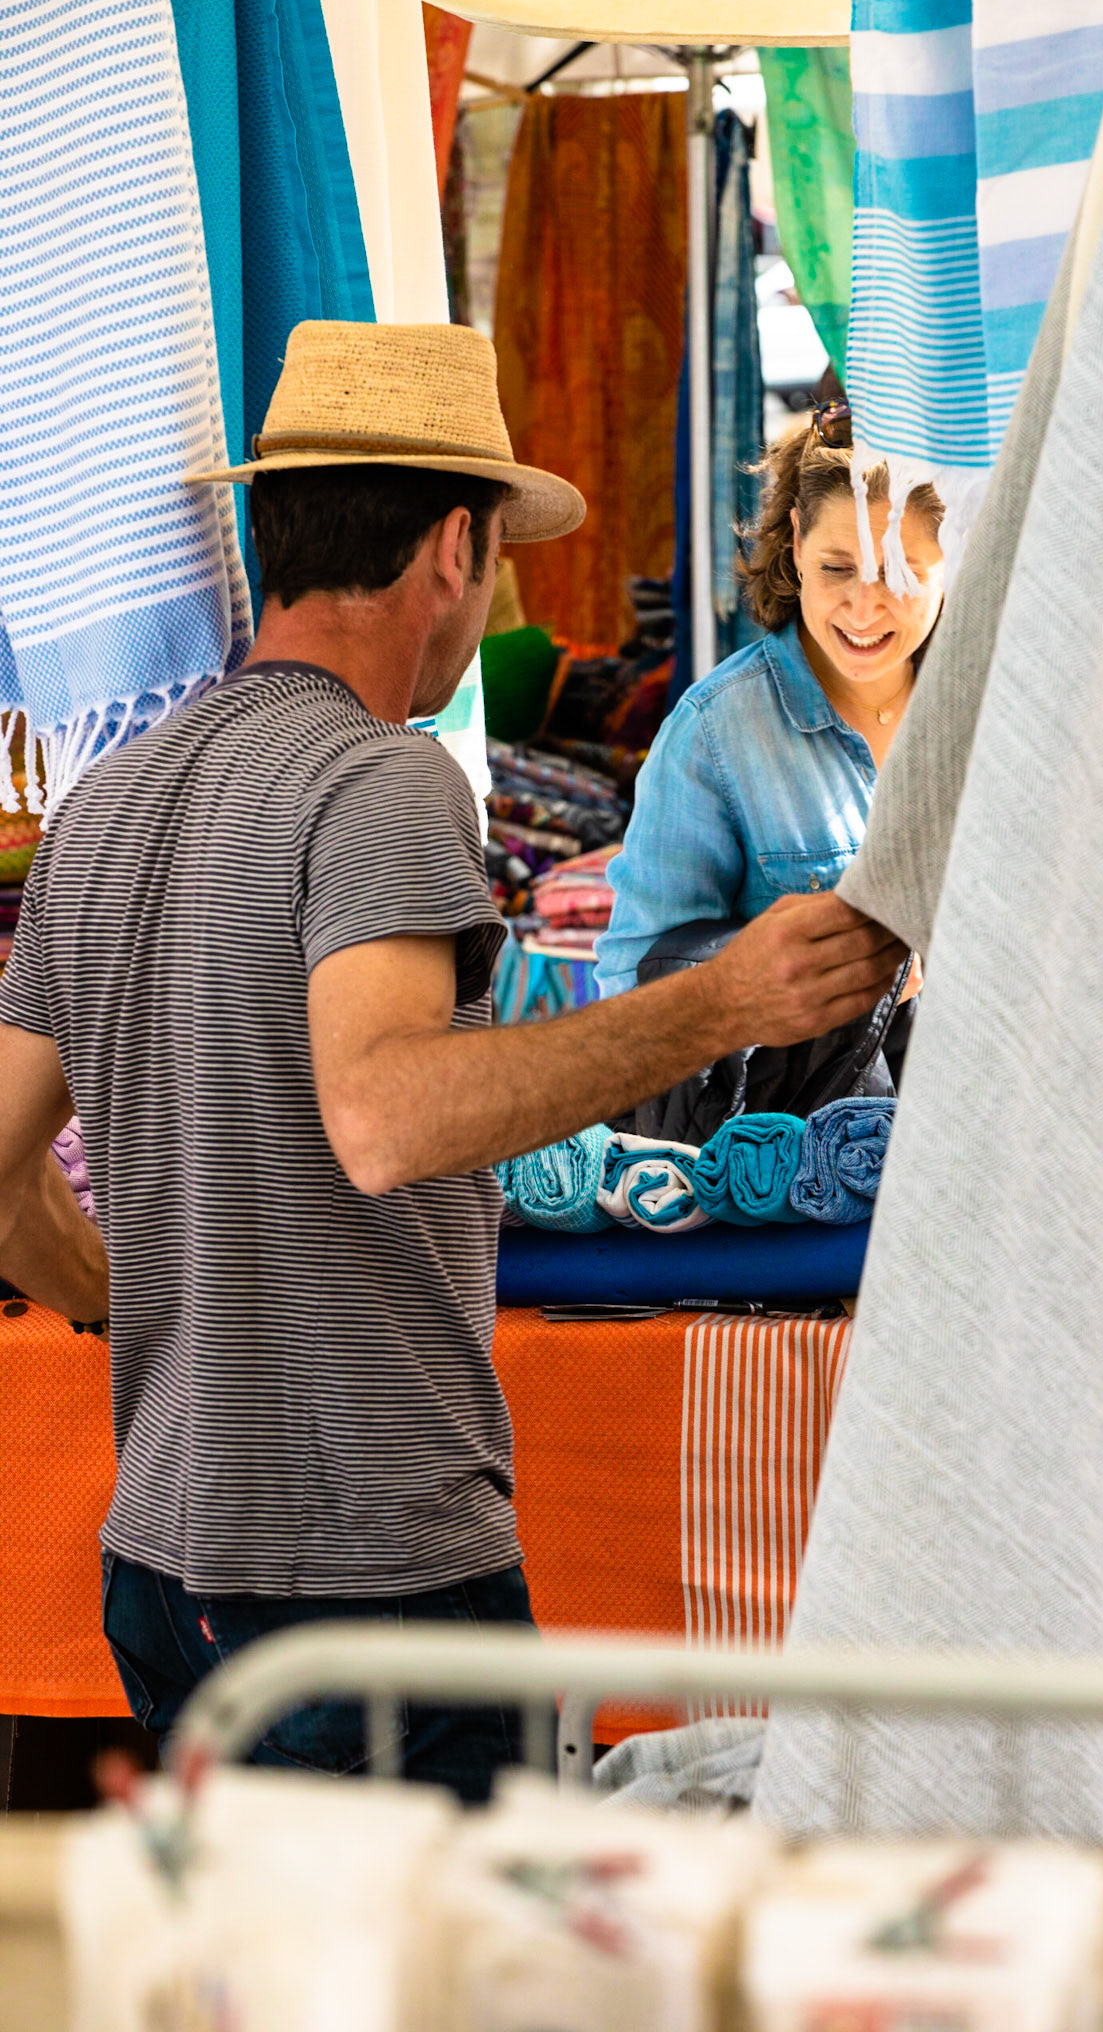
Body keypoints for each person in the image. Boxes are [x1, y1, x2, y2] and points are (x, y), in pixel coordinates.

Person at [0, 325, 906, 1800]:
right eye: (490, 561)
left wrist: (142, 1306)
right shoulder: (382, 776)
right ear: (447, 546)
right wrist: (723, 999)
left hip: (165, 1565)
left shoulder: (108, 804)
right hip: (360, 1577)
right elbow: (380, 1116)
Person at [595, 402, 945, 997]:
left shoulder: (994, 714)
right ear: (798, 545)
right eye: (837, 568)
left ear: (955, 558)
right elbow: (637, 993)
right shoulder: (714, 734)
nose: (864, 608)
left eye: (900, 576)